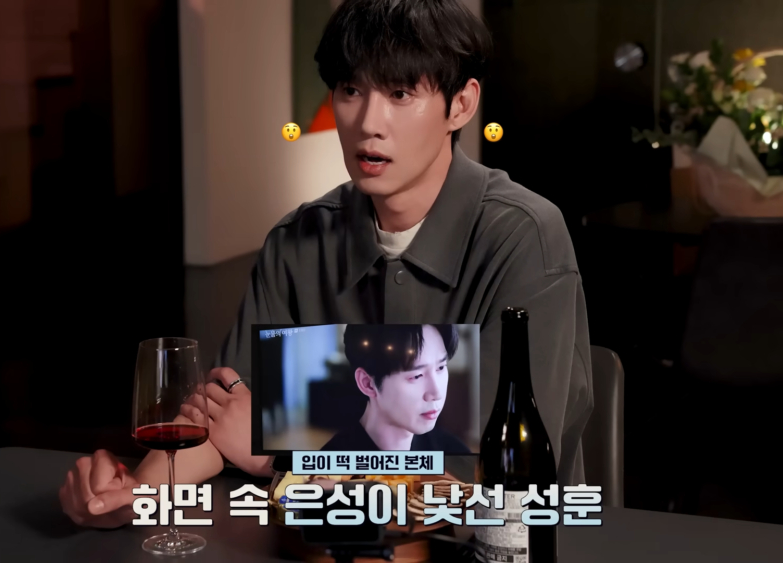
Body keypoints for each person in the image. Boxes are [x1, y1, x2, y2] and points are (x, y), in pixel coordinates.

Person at [60, 0, 593, 529]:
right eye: (350, 90)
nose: (368, 123)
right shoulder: (297, 241)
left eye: (400, 93)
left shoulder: (523, 237)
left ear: (461, 104)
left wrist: (286, 458)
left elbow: (494, 472)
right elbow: (224, 420)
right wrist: (137, 493)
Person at [320, 324, 471, 453]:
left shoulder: (454, 452)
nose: (436, 393)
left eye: (441, 367)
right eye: (416, 376)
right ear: (367, 383)